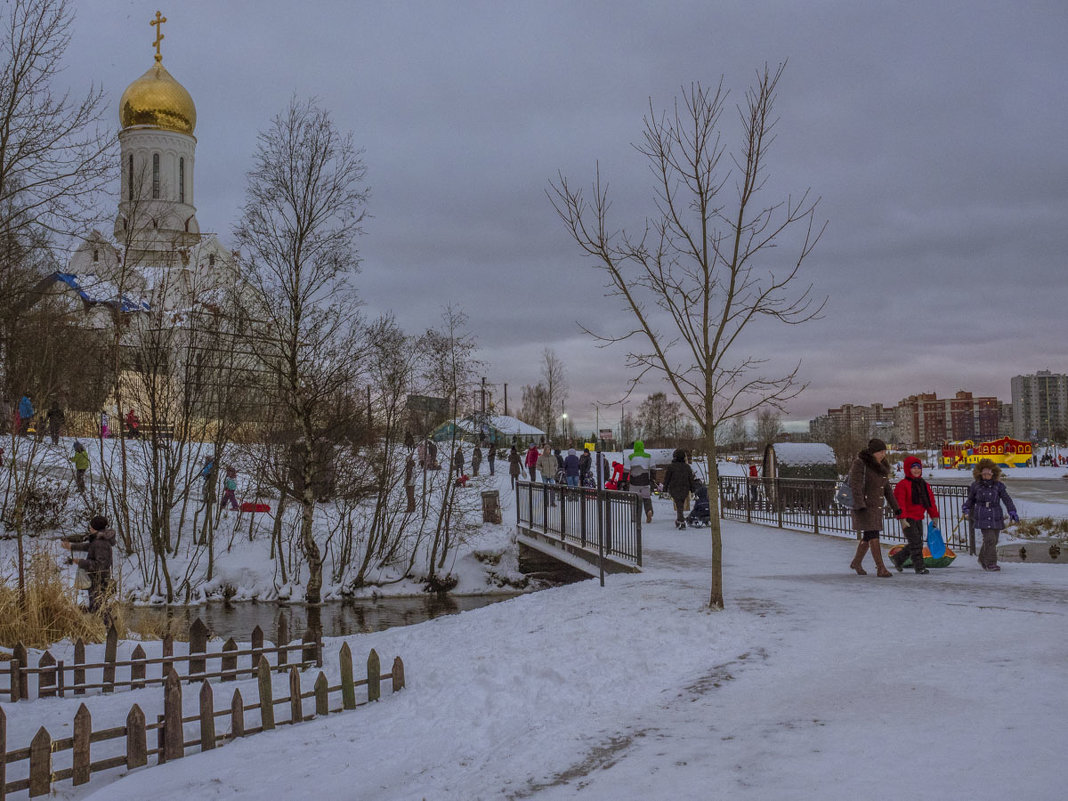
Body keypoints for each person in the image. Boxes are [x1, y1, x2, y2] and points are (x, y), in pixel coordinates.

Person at [847, 438, 902, 577]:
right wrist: (860, 504)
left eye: (884, 451)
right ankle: (880, 568)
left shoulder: (881, 465)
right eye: (880, 451)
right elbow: (856, 485)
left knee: (868, 535)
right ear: (872, 452)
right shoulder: (860, 463)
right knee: (873, 535)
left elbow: (887, 489)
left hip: (876, 507)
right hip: (864, 506)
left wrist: (896, 507)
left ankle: (856, 562)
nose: (883, 454)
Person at [962, 458, 1018, 571]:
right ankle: (991, 563)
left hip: (995, 515)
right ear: (980, 473)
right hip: (982, 514)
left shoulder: (999, 486)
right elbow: (971, 499)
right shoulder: (976, 485)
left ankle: (982, 558)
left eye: (989, 473)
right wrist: (966, 507)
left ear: (993, 473)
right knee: (990, 539)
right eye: (984, 473)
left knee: (994, 540)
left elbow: (1006, 499)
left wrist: (1012, 511)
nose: (986, 475)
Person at [892, 455, 939, 574]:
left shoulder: (924, 485)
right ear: (908, 469)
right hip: (908, 518)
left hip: (919, 517)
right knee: (916, 542)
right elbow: (900, 503)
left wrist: (934, 516)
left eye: (919, 467)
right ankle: (919, 567)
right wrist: (902, 519)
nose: (916, 470)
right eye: (913, 467)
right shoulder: (902, 485)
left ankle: (899, 558)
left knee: (916, 542)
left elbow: (930, 502)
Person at [62, 515, 116, 613]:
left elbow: (100, 565)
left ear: (95, 528)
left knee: (99, 608)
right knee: (99, 607)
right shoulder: (99, 540)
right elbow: (90, 547)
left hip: (99, 580)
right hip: (98, 579)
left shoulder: (100, 543)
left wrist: (80, 562)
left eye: (91, 526)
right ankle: (102, 625)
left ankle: (104, 626)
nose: (90, 528)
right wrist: (71, 547)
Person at [663, 448, 696, 529]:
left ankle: (681, 521)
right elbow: (690, 479)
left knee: (679, 504)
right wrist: (693, 490)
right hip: (685, 488)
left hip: (674, 488)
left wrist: (665, 490)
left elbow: (667, 479)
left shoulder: (671, 467)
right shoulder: (687, 467)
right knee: (680, 504)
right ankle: (679, 520)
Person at [627, 440, 654, 523]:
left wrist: (624, 481)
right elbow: (653, 469)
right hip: (645, 481)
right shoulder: (649, 456)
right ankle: (649, 511)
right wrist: (652, 479)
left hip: (634, 482)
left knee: (633, 500)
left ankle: (634, 517)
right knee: (646, 498)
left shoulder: (630, 457)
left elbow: (626, 470)